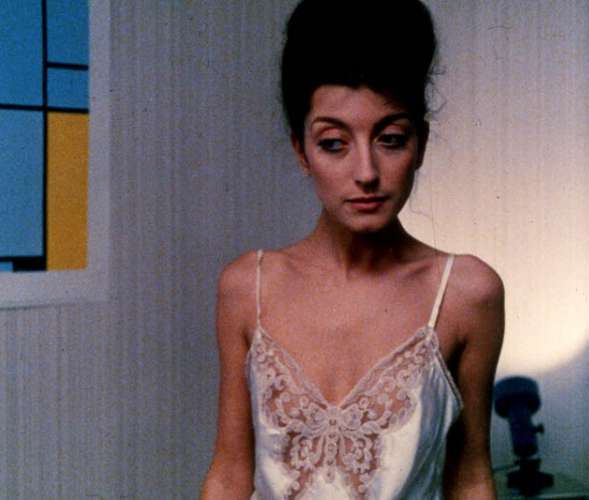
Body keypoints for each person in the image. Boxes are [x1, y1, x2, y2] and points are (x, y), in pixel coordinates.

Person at [201, 0, 504, 498]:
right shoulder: (246, 287)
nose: (366, 172)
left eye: (391, 138)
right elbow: (229, 473)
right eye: (334, 143)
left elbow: (470, 476)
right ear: (301, 150)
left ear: (421, 144)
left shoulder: (466, 293)